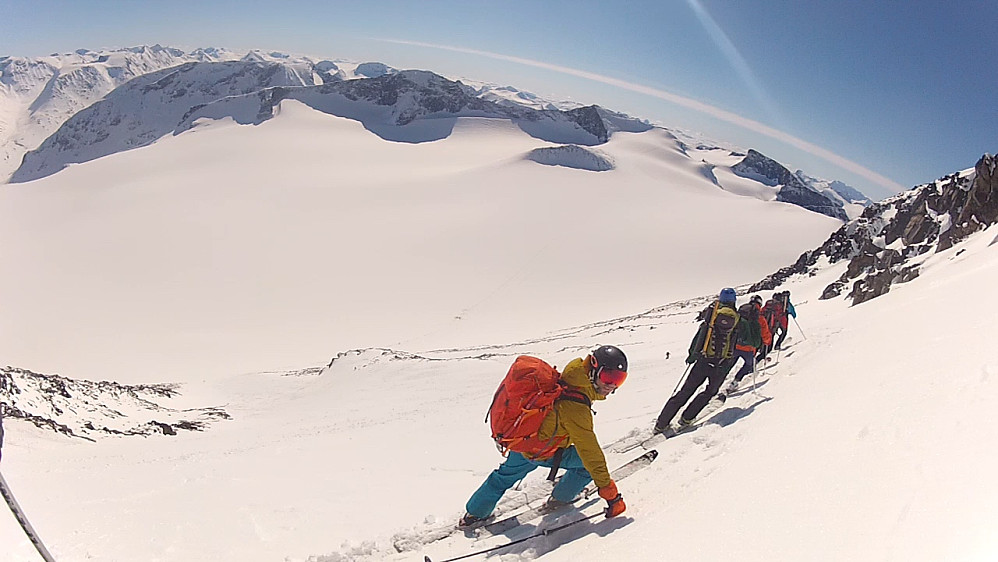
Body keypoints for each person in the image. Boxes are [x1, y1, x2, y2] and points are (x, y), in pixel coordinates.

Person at [460, 345, 629, 526]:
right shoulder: (576, 407)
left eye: (619, 379)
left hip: (525, 439)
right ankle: (560, 499)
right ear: (594, 370)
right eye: (608, 377)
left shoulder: (576, 372)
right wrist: (610, 494)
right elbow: (590, 451)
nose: (611, 385)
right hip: (544, 450)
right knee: (585, 466)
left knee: (503, 477)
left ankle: (474, 513)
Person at [654, 288, 741, 434]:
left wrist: (692, 355)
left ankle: (661, 424)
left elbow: (700, 335)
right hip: (721, 364)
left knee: (685, 391)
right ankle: (687, 419)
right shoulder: (737, 318)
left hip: (703, 360)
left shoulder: (712, 315)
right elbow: (736, 339)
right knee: (709, 392)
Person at [725, 295, 772, 393]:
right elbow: (765, 333)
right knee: (748, 365)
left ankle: (717, 383)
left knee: (728, 364)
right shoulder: (759, 317)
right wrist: (767, 342)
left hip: (735, 344)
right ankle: (735, 381)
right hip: (749, 348)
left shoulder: (741, 312)